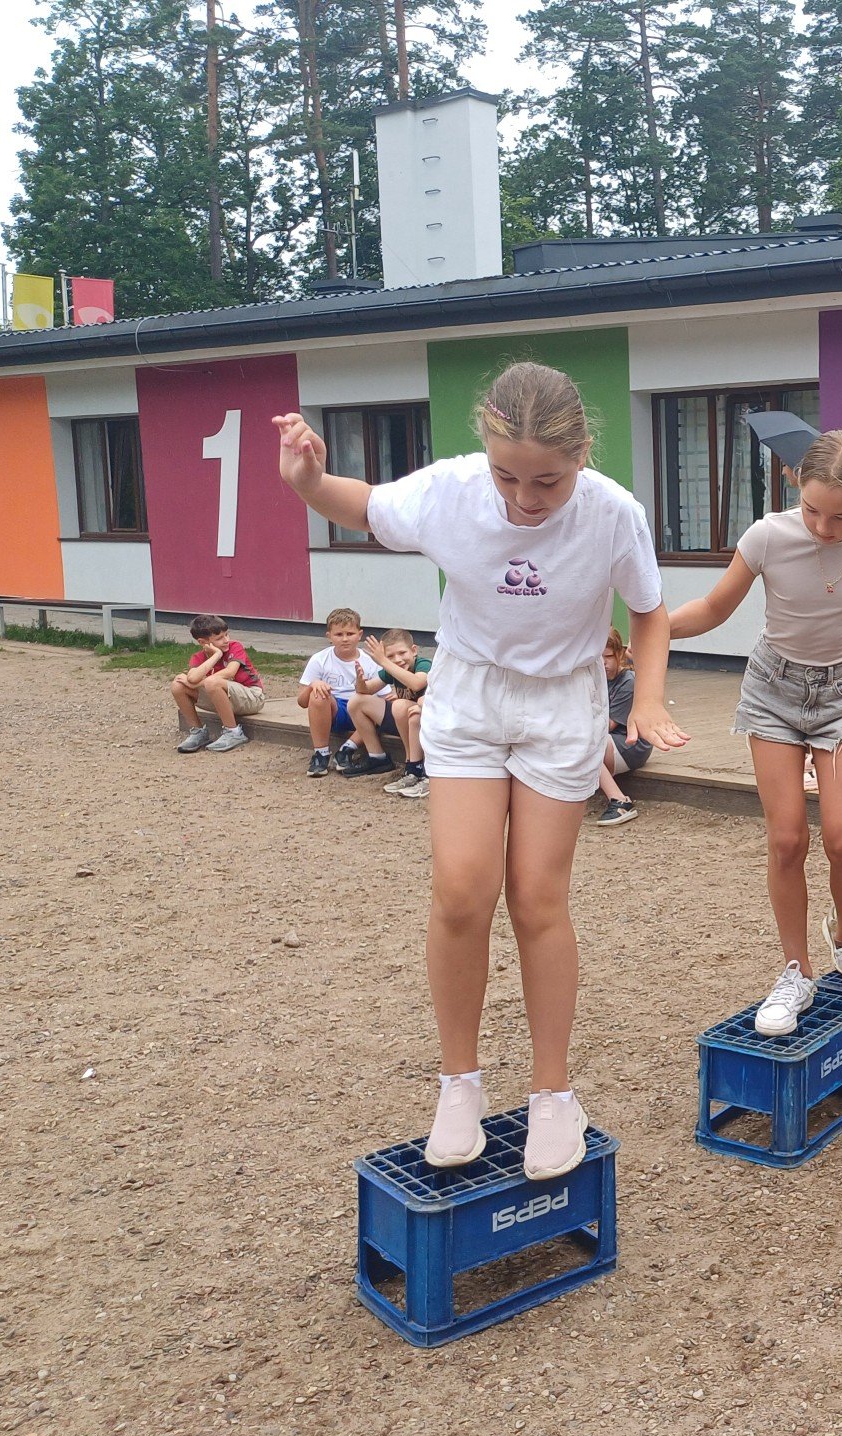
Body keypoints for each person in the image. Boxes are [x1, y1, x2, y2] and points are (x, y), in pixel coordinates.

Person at [274, 361, 686, 1181]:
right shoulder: (454, 489)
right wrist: (309, 480)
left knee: (537, 897)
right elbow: (363, 504)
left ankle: (552, 1093)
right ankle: (458, 1083)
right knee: (462, 889)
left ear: (582, 455)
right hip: (468, 695)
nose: (525, 499)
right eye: (508, 476)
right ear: (486, 455)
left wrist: (646, 700)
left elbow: (649, 612)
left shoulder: (613, 513)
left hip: (559, 705)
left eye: (547, 481)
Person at [667, 430, 842, 1033]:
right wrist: (652, 629)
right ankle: (796, 971)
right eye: (813, 509)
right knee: (788, 839)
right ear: (796, 485)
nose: (824, 527)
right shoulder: (767, 536)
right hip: (773, 691)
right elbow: (713, 608)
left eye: (841, 516)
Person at [295, 608, 390, 778]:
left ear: (359, 635)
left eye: (350, 633)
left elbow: (385, 696)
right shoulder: (319, 659)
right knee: (318, 695)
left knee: (382, 706)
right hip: (334, 711)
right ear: (329, 636)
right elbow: (302, 702)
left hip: (362, 712)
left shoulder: (371, 661)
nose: (345, 639)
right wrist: (313, 685)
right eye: (339, 634)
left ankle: (346, 750)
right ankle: (321, 754)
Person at [170, 614, 264, 753]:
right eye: (219, 638)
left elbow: (230, 672)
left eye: (227, 635)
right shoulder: (199, 657)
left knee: (212, 682)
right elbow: (192, 678)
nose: (226, 640)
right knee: (178, 685)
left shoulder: (235, 647)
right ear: (203, 642)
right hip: (225, 699)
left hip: (252, 697)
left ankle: (233, 732)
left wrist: (199, 684)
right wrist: (216, 655)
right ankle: (198, 732)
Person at [356, 629, 432, 795]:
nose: (397, 659)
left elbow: (417, 683)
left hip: (430, 723)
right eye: (390, 656)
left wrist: (384, 661)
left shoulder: (423, 664)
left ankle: (419, 770)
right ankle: (394, 763)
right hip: (408, 722)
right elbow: (366, 690)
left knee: (406, 707)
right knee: (357, 701)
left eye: (402, 653)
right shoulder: (392, 670)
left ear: (414, 650)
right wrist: (360, 682)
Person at [595, 628, 652, 827]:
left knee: (586, 745)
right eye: (598, 658)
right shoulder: (596, 679)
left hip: (631, 745)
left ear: (619, 654)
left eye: (608, 656)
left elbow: (606, 726)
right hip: (607, 741)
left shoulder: (628, 682)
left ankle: (620, 801)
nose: (603, 663)